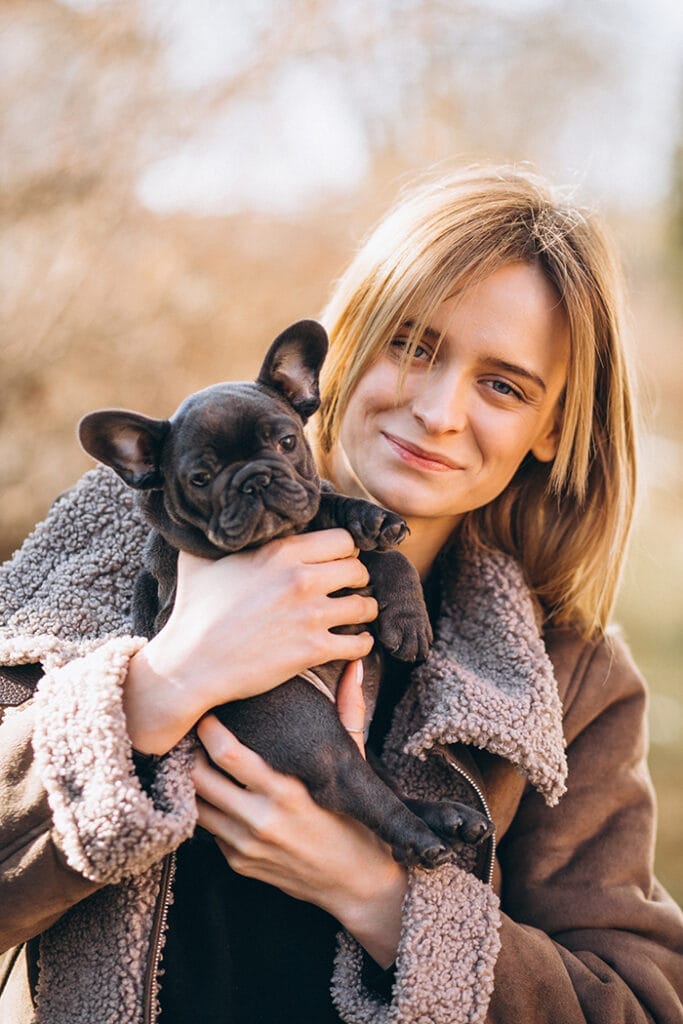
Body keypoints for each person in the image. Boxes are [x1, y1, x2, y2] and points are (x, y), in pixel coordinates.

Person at [0, 165, 681, 1024]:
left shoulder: (566, 676)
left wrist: (378, 897)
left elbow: (640, 1002)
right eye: (412, 344)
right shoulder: (101, 557)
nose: (437, 410)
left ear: (552, 428)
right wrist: (159, 687)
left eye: (502, 384)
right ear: (343, 346)